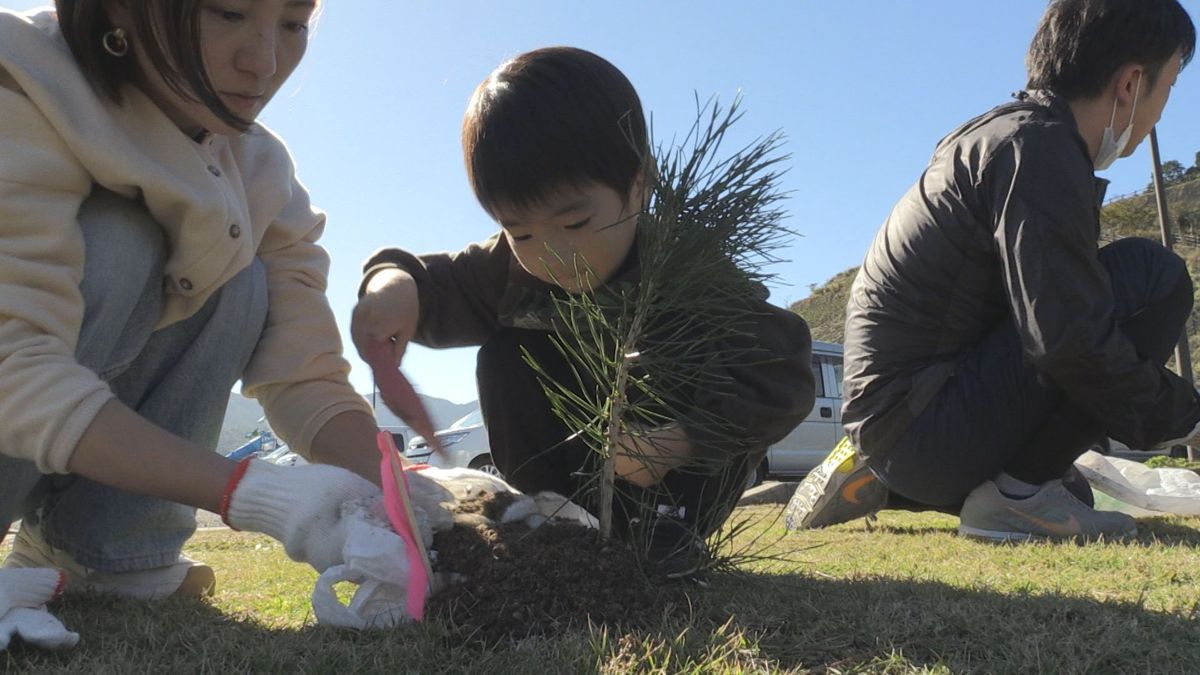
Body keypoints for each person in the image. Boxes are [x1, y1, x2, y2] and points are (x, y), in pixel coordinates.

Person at [352, 46, 815, 576]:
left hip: (676, 492)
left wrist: (679, 440)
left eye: (573, 224)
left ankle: (668, 535)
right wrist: (393, 286)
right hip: (568, 488)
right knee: (506, 351)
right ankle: (545, 522)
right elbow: (436, 282)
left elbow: (783, 373)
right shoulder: (510, 271)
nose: (549, 251)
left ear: (638, 186)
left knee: (691, 360)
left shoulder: (692, 270)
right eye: (519, 230)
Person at [0, 0, 392, 617]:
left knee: (241, 278)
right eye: (228, 13)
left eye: (292, 25)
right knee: (122, 243)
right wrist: (252, 493)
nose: (263, 63)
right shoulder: (22, 75)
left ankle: (101, 558)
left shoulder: (260, 168)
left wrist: (411, 501)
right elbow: (11, 363)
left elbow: (303, 372)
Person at [786, 0, 1197, 541]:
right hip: (925, 426)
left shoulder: (999, 135)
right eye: (1168, 88)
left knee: (1070, 488)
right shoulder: (1039, 150)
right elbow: (1070, 339)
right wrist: (1186, 418)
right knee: (1152, 274)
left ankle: (890, 477)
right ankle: (1017, 496)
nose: (1161, 113)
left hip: (899, 417)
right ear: (1130, 82)